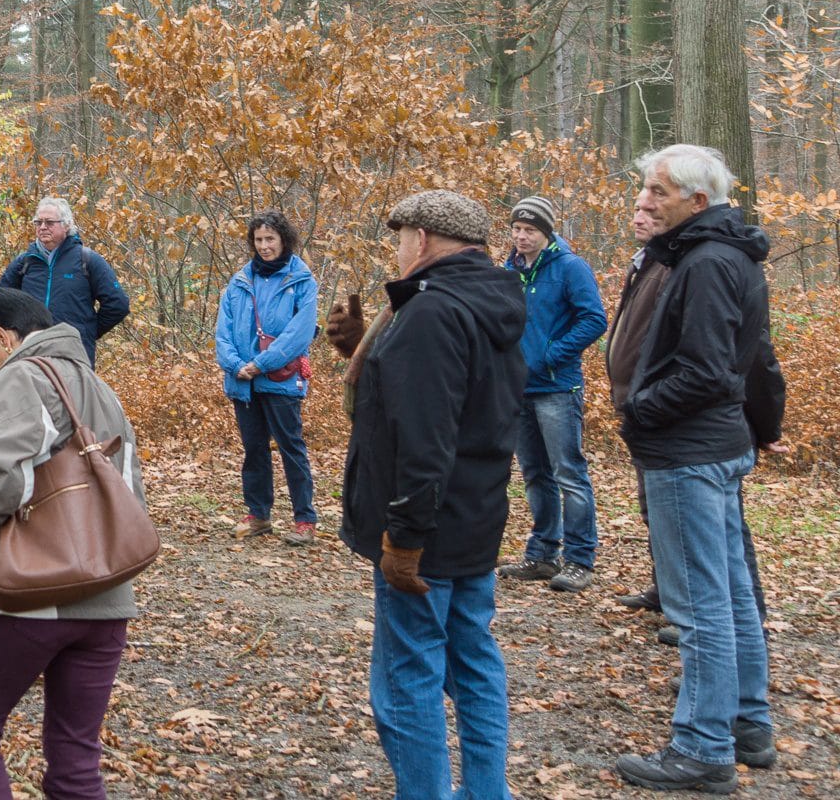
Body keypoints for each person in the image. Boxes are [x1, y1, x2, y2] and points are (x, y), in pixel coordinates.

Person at [325, 190, 525, 800]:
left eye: (400, 237)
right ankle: (486, 791)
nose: (398, 249)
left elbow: (424, 437)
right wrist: (367, 349)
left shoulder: (432, 312)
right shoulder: (490, 298)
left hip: (427, 530)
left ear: (424, 238)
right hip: (475, 517)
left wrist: (405, 538)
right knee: (473, 662)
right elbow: (456, 397)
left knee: (407, 677)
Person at [611, 145, 775, 792]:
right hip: (714, 446)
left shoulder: (707, 262)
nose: (645, 201)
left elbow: (707, 372)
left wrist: (640, 412)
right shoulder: (723, 254)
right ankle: (748, 724)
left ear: (697, 201)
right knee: (731, 596)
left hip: (689, 453)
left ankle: (704, 747)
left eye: (658, 191)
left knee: (701, 607)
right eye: (645, 188)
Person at [0, 288, 146, 799]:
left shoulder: (21, 376)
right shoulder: (101, 387)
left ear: (2, 338)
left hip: (29, 592)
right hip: (107, 599)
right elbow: (130, 488)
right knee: (76, 756)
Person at [494, 196, 608, 593]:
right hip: (518, 388)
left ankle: (579, 559)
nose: (521, 236)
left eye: (530, 230)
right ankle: (542, 554)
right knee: (534, 474)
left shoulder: (570, 267)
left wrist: (551, 355)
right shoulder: (509, 270)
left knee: (568, 474)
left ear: (546, 232)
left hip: (557, 387)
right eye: (516, 229)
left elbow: (594, 319)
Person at [214, 210, 320, 545]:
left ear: (283, 239)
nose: (264, 246)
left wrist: (260, 364)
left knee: (291, 448)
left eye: (270, 239)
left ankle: (305, 520)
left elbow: (299, 334)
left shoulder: (301, 280)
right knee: (254, 449)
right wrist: (235, 366)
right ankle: (258, 514)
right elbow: (223, 332)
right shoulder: (239, 281)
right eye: (259, 239)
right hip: (243, 382)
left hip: (280, 380)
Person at [0, 197, 129, 368]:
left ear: (66, 225)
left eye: (49, 222)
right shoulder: (24, 262)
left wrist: (86, 332)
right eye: (38, 222)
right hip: (30, 358)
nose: (43, 227)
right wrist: (17, 335)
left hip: (73, 359)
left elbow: (118, 304)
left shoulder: (88, 260)